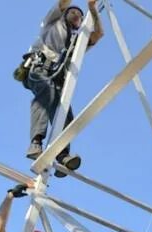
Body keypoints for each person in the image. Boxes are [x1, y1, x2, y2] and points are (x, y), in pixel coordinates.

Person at [24, 1, 104, 177]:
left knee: (65, 114)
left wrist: (93, 10)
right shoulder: (53, 22)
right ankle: (36, 142)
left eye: (80, 15)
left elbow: (98, 34)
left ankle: (62, 155)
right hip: (40, 70)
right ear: (64, 13)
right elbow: (63, 3)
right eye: (73, 12)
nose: (77, 15)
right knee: (46, 93)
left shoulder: (77, 41)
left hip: (59, 80)